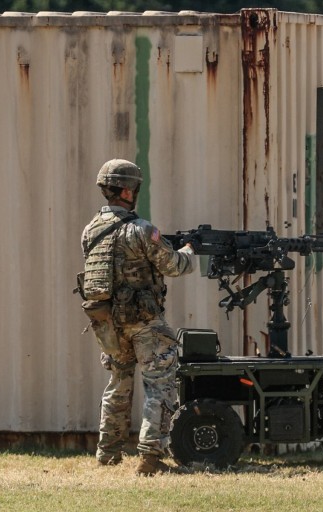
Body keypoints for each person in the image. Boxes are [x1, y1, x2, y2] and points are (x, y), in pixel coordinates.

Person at [80, 159, 196, 475]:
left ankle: (108, 454)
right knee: (159, 385)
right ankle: (150, 459)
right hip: (144, 322)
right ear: (130, 191)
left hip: (106, 323)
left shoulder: (90, 230)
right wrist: (188, 251)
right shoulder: (142, 230)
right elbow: (174, 266)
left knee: (118, 382)